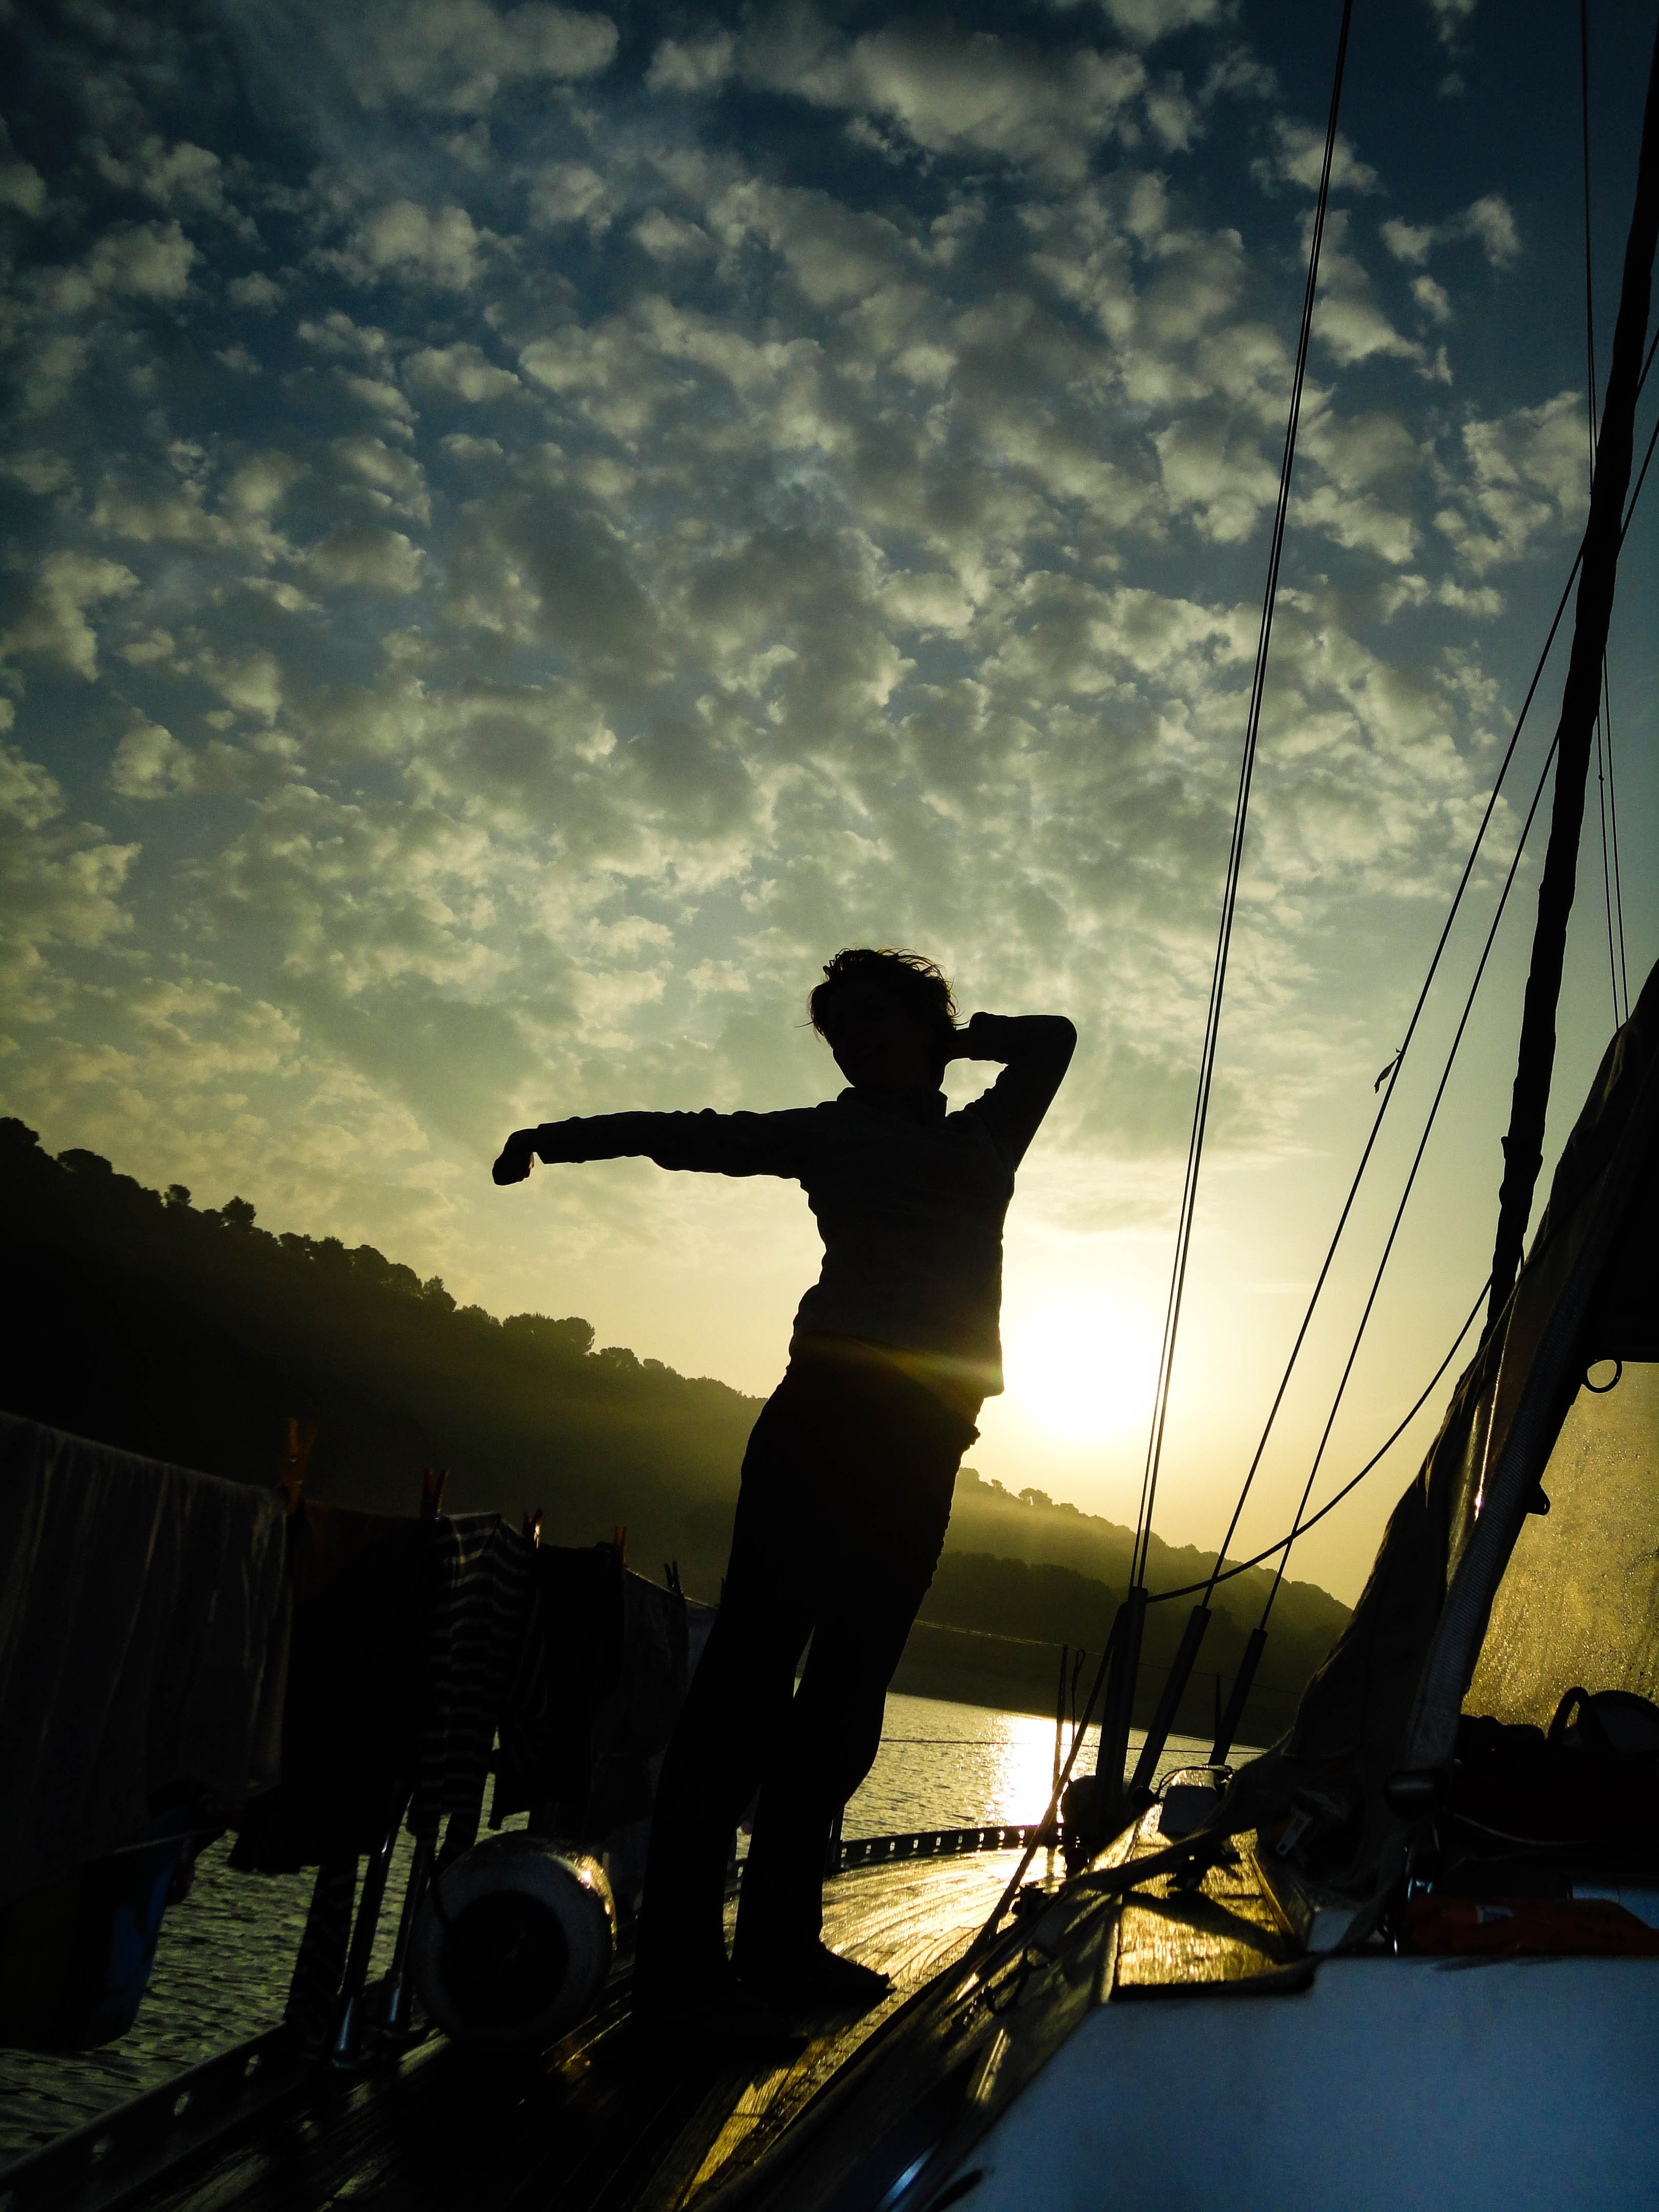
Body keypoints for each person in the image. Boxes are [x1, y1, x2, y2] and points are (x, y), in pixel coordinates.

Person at [492, 948, 1075, 2035]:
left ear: (925, 1022)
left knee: (848, 1702)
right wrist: (548, 1140)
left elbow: (1053, 1041)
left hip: (926, 1450)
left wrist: (955, 1040)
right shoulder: (829, 1134)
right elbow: (685, 1133)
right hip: (821, 1430)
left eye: (870, 1019)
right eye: (837, 1030)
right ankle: (680, 1975)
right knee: (744, 1692)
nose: (850, 1042)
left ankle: (781, 1946)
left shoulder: (986, 1137)